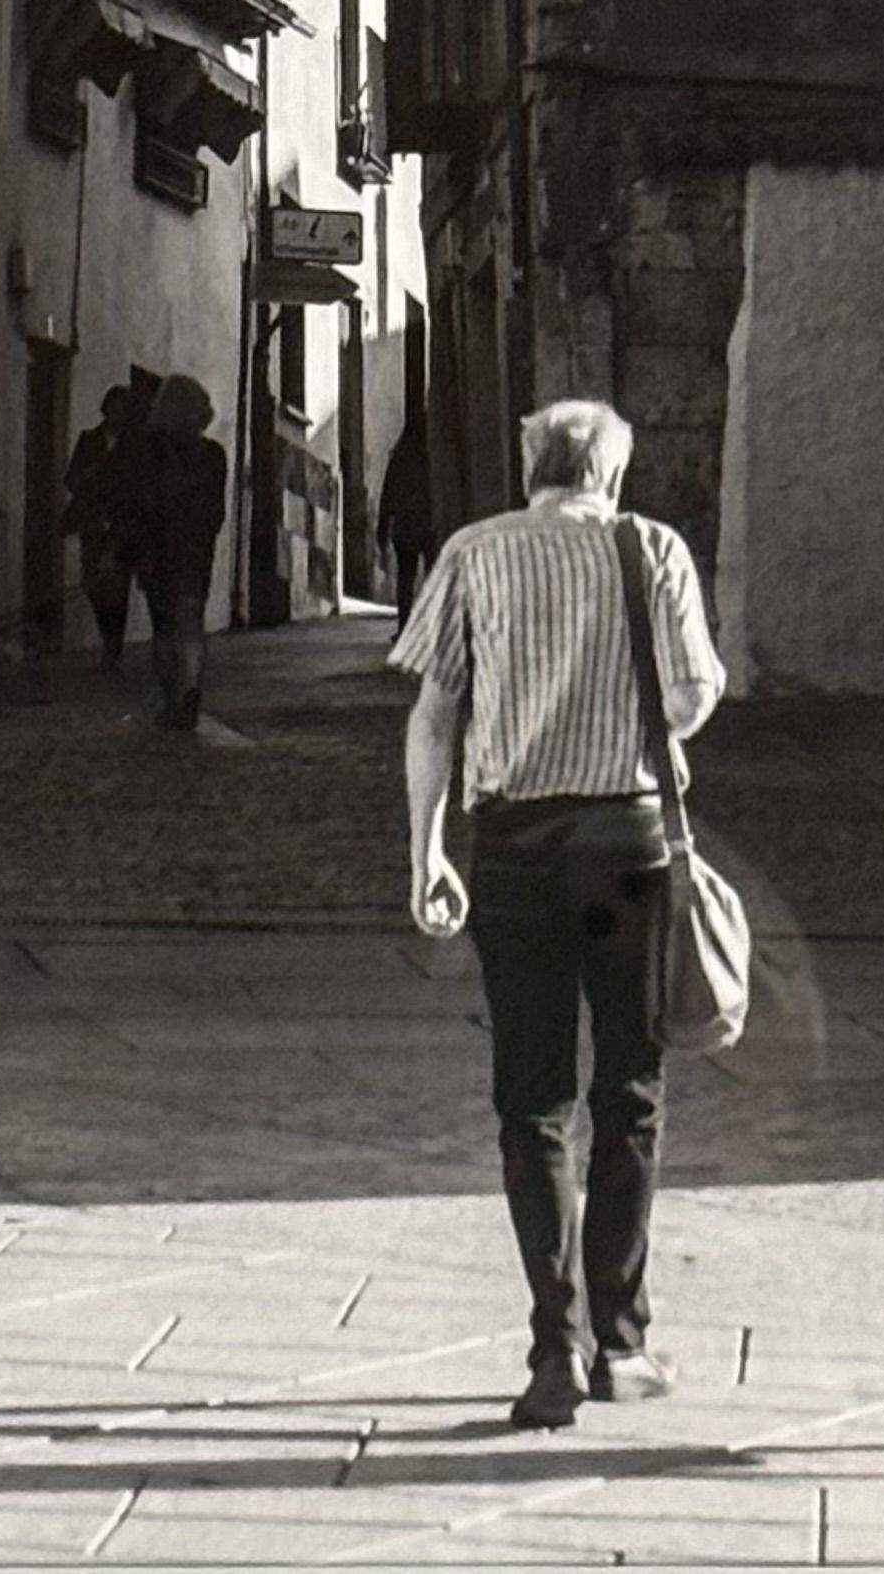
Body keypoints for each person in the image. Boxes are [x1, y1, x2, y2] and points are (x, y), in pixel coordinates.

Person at [394, 398, 727, 1435]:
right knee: (629, 1085)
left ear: (531, 463)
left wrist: (425, 848)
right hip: (626, 843)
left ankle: (554, 1347)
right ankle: (622, 1343)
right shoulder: (654, 550)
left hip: (514, 849)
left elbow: (434, 711)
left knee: (530, 1099)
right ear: (612, 475)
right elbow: (691, 694)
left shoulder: (473, 552)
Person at [125, 374, 228, 732]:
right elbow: (216, 512)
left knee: (164, 629)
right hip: (196, 552)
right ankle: (192, 690)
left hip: (158, 550)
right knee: (191, 624)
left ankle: (171, 700)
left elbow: (141, 504)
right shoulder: (214, 456)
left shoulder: (150, 452)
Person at [65, 384, 141, 671]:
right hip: (94, 521)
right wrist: (86, 478)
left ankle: (113, 646)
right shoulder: (89, 440)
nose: (119, 413)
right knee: (94, 584)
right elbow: (70, 478)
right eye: (115, 406)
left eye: (124, 408)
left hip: (122, 524)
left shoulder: (134, 446)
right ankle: (108, 636)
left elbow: (137, 483)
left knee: (118, 586)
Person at [376, 416, 436, 621]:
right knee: (434, 576)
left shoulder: (399, 458)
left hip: (405, 526)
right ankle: (433, 624)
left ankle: (404, 624)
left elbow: (387, 495)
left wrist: (382, 528)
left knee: (405, 578)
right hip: (429, 524)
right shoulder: (432, 458)